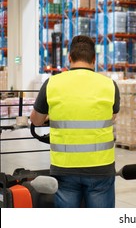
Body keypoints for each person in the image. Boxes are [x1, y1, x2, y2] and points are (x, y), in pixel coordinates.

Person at [30, 35, 120, 208]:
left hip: (64, 168)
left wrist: (51, 116)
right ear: (94, 60)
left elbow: (36, 120)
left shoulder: (52, 83)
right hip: (100, 167)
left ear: (69, 58)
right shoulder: (109, 85)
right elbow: (111, 116)